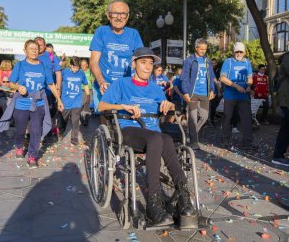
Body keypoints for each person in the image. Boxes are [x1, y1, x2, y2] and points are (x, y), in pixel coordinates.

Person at [98, 47, 196, 227]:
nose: (148, 67)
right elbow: (101, 106)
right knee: (158, 138)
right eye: (143, 62)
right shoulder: (122, 84)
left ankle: (184, 199)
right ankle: (154, 204)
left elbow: (166, 117)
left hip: (153, 135)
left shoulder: (155, 88)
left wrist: (168, 106)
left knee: (165, 139)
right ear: (134, 64)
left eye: (151, 63)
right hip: (129, 131)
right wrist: (123, 107)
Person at [0, 40, 64, 168]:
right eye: (31, 48)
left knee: (36, 130)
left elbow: (50, 84)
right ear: (25, 50)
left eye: (36, 48)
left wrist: (59, 100)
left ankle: (32, 156)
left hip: (38, 102)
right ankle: (19, 146)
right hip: (21, 103)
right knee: (20, 130)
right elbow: (11, 83)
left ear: (39, 50)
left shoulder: (43, 66)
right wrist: (18, 87)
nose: (34, 50)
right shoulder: (20, 65)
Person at [89, 0, 144, 111]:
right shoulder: (101, 32)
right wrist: (101, 82)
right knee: (105, 121)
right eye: (115, 13)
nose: (119, 17)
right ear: (109, 15)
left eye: (123, 14)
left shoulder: (134, 34)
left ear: (127, 17)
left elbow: (140, 60)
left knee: (124, 123)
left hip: (126, 88)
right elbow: (93, 62)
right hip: (104, 86)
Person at [219, 42, 257, 150]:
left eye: (241, 52)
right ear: (233, 52)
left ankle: (247, 142)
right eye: (237, 52)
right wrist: (235, 86)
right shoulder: (228, 62)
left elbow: (250, 77)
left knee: (247, 119)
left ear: (244, 52)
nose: (239, 54)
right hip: (230, 96)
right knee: (227, 118)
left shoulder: (247, 62)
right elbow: (222, 78)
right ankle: (225, 141)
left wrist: (249, 86)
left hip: (243, 96)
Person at [180, 38, 215, 150]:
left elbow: (212, 77)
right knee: (193, 119)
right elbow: (184, 78)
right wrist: (185, 92)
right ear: (196, 48)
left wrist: (212, 90)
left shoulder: (207, 61)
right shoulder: (189, 60)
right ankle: (194, 141)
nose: (203, 51)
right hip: (193, 94)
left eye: (205, 49)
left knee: (204, 117)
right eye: (201, 49)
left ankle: (192, 135)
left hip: (205, 94)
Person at [59, 57, 89, 145]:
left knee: (75, 120)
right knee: (63, 120)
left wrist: (87, 95)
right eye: (74, 67)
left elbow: (86, 84)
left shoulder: (81, 73)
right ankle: (60, 132)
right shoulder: (64, 72)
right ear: (70, 66)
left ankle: (74, 139)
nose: (76, 70)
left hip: (77, 100)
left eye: (77, 68)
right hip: (66, 100)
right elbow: (59, 83)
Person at [35, 37, 62, 118]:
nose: (39, 47)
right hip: (33, 93)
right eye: (37, 45)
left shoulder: (52, 57)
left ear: (45, 46)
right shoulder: (32, 57)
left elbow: (58, 73)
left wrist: (58, 89)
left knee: (48, 114)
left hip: (48, 92)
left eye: (41, 45)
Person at [272, 52, 289, 166]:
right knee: (286, 128)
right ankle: (278, 155)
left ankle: (278, 155)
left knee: (286, 128)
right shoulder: (287, 57)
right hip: (286, 98)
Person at [208, 59, 223, 127]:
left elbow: (217, 82)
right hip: (207, 91)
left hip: (215, 92)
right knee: (208, 107)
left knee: (213, 107)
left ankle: (211, 120)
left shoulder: (218, 71)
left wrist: (219, 91)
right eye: (212, 63)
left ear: (216, 64)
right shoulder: (208, 70)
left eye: (214, 63)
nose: (213, 64)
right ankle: (208, 120)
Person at [80, 59, 94, 123]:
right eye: (81, 65)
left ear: (87, 65)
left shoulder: (90, 72)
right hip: (81, 90)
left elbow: (93, 80)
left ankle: (86, 119)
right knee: (81, 105)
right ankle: (81, 117)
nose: (83, 66)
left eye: (84, 65)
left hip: (89, 90)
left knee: (88, 105)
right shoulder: (79, 72)